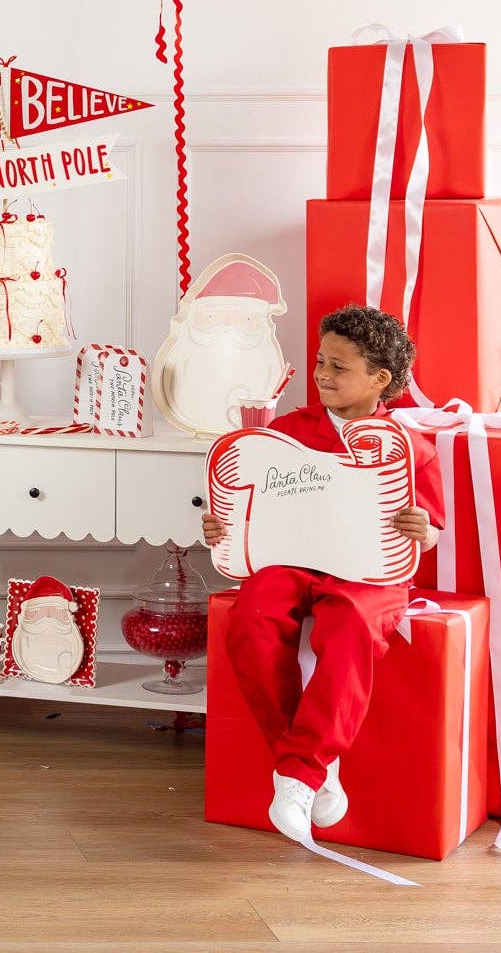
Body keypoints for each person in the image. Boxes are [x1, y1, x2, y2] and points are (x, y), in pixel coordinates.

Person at [200, 304, 444, 845]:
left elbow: (429, 531)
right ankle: (313, 768)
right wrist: (223, 525)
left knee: (352, 630)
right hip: (289, 562)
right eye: (319, 362)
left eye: (338, 367)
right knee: (252, 619)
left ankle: (298, 772)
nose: (322, 375)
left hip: (366, 574)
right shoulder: (286, 432)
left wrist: (421, 529)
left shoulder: (410, 450)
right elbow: (248, 502)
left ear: (380, 380)